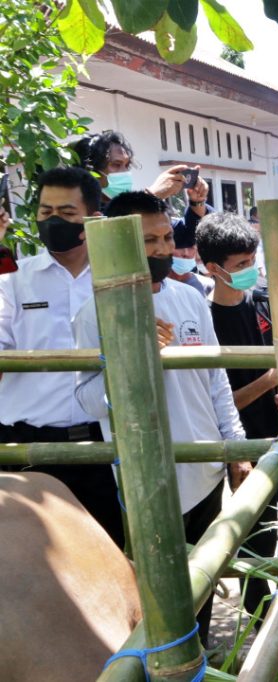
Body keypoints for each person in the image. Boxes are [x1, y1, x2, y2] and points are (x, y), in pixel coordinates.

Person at [74, 191, 248, 647]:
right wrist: (132, 356)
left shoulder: (190, 299)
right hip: (149, 482)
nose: (161, 249)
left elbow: (215, 380)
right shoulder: (92, 313)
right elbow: (90, 402)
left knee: (204, 586)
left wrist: (235, 446)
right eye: (147, 240)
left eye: (166, 237)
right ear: (117, 242)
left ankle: (201, 662)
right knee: (161, 602)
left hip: (206, 471)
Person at [0, 167, 126, 547]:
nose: (53, 220)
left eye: (67, 214)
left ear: (93, 220)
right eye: (45, 211)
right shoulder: (14, 282)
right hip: (27, 451)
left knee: (110, 560)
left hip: (101, 449)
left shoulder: (119, 280)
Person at [195, 210, 278, 621]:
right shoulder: (203, 321)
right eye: (241, 266)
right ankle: (266, 624)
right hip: (241, 446)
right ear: (213, 269)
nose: (251, 271)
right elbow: (219, 400)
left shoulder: (264, 303)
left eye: (253, 260)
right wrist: (268, 382)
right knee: (254, 537)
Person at [72, 129, 201, 204]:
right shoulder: (79, 213)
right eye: (116, 165)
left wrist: (197, 203)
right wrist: (152, 195)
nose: (125, 172)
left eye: (127, 165)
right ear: (91, 171)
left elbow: (182, 235)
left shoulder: (124, 205)